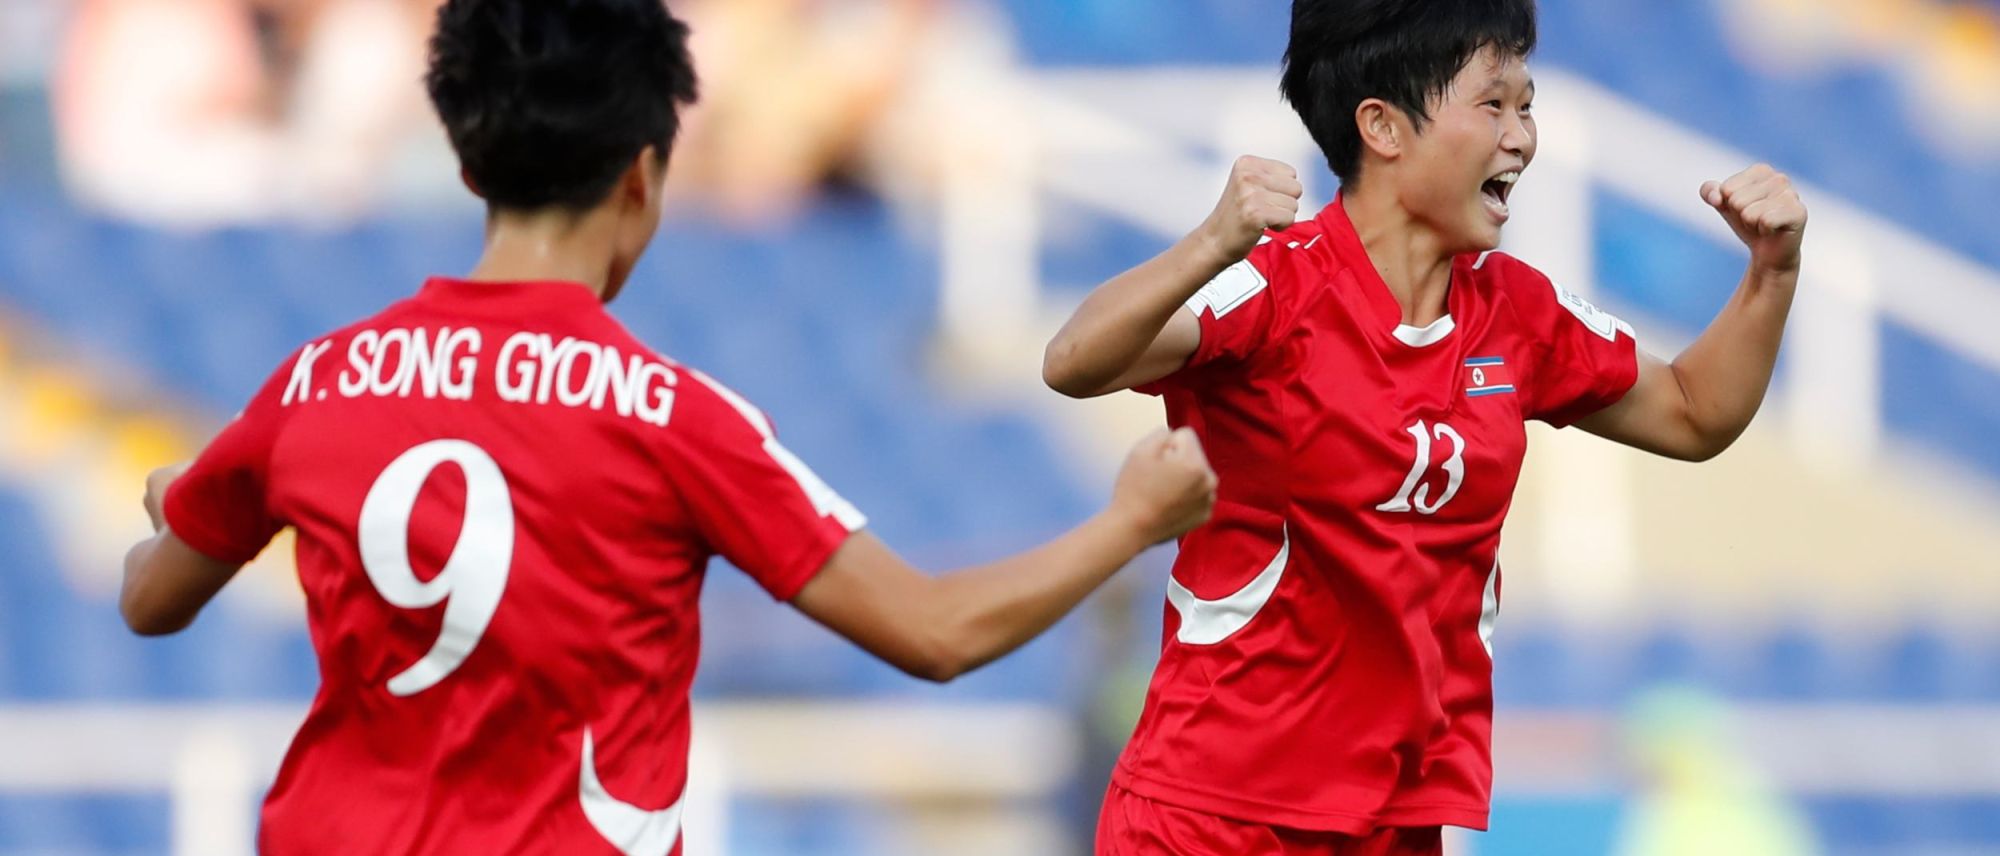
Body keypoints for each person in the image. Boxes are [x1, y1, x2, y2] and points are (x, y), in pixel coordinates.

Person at [116, 1, 1217, 854]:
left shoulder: (317, 383)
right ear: (643, 176)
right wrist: (1129, 521)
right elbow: (934, 631)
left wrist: (179, 512)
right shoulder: (671, 417)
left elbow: (150, 600)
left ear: (466, 162)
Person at [1041, 1, 1808, 853]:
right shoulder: (1274, 290)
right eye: (1493, 104)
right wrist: (1213, 241)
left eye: (1527, 106)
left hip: (1396, 822)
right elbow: (1073, 361)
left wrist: (1771, 273)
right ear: (1383, 127)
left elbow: (1696, 414)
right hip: (1213, 816)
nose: (1522, 138)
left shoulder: (1517, 312)